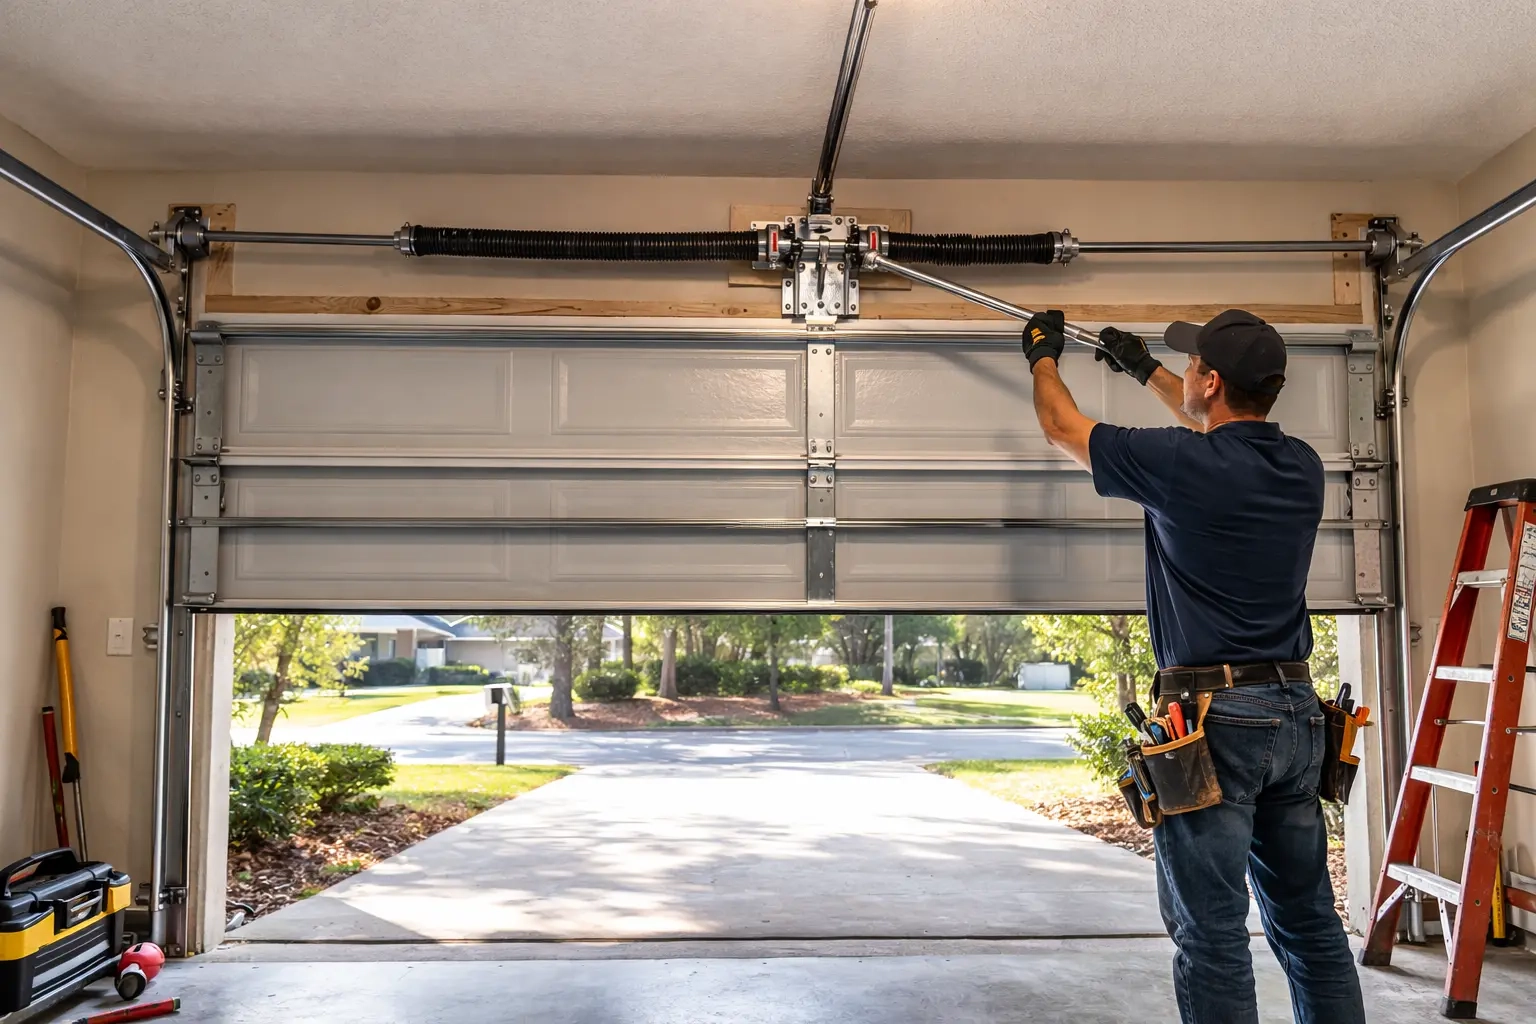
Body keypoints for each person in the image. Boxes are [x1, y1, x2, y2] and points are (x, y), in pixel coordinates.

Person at [1022, 308, 1367, 1024]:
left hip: (1214, 724)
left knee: (1210, 934)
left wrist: (1041, 356)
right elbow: (1216, 426)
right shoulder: (1300, 465)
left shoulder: (1179, 465)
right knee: (1308, 922)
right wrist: (1143, 368)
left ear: (1210, 381)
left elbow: (1061, 426)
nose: (1184, 378)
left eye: (1191, 369)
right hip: (1297, 718)